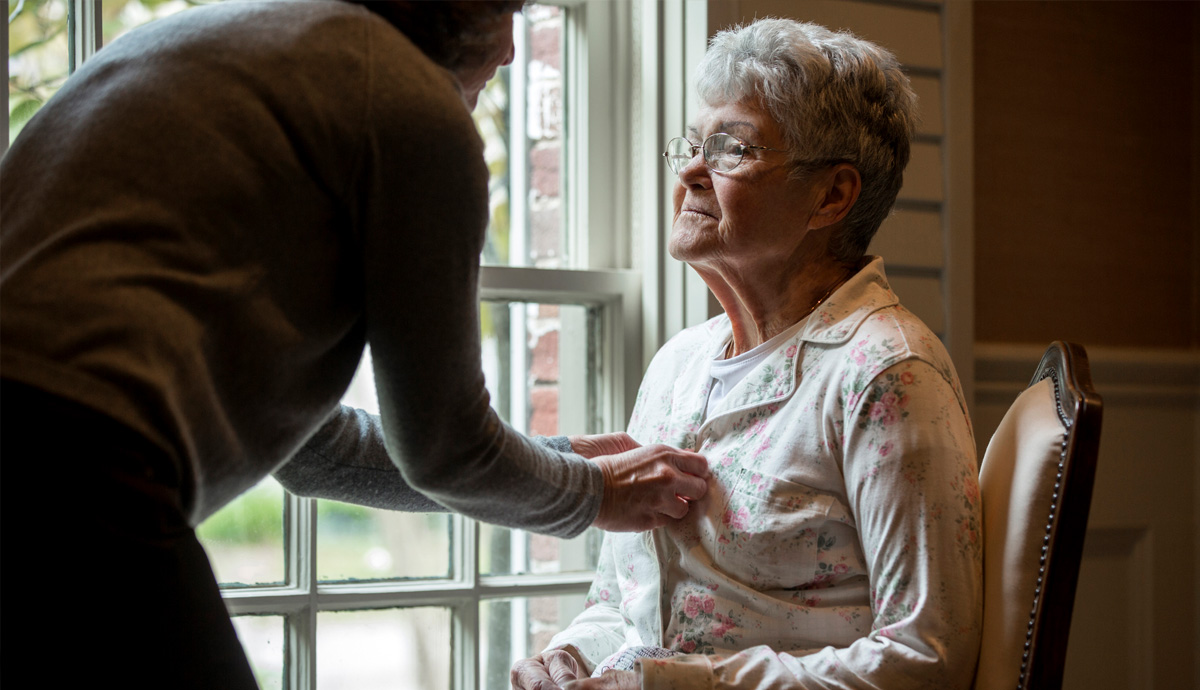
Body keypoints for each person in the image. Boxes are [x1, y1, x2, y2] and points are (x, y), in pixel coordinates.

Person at [0, 1, 708, 687]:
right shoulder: (407, 102)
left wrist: (561, 459)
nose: (511, 51)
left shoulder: (195, 48)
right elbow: (448, 450)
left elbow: (313, 454)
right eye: (506, 15)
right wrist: (592, 494)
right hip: (71, 467)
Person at [511, 18, 982, 690]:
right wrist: (572, 656)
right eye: (695, 146)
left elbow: (927, 658)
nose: (694, 172)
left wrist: (676, 685)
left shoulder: (887, 373)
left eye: (733, 150)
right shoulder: (678, 365)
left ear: (833, 195)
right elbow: (625, 601)